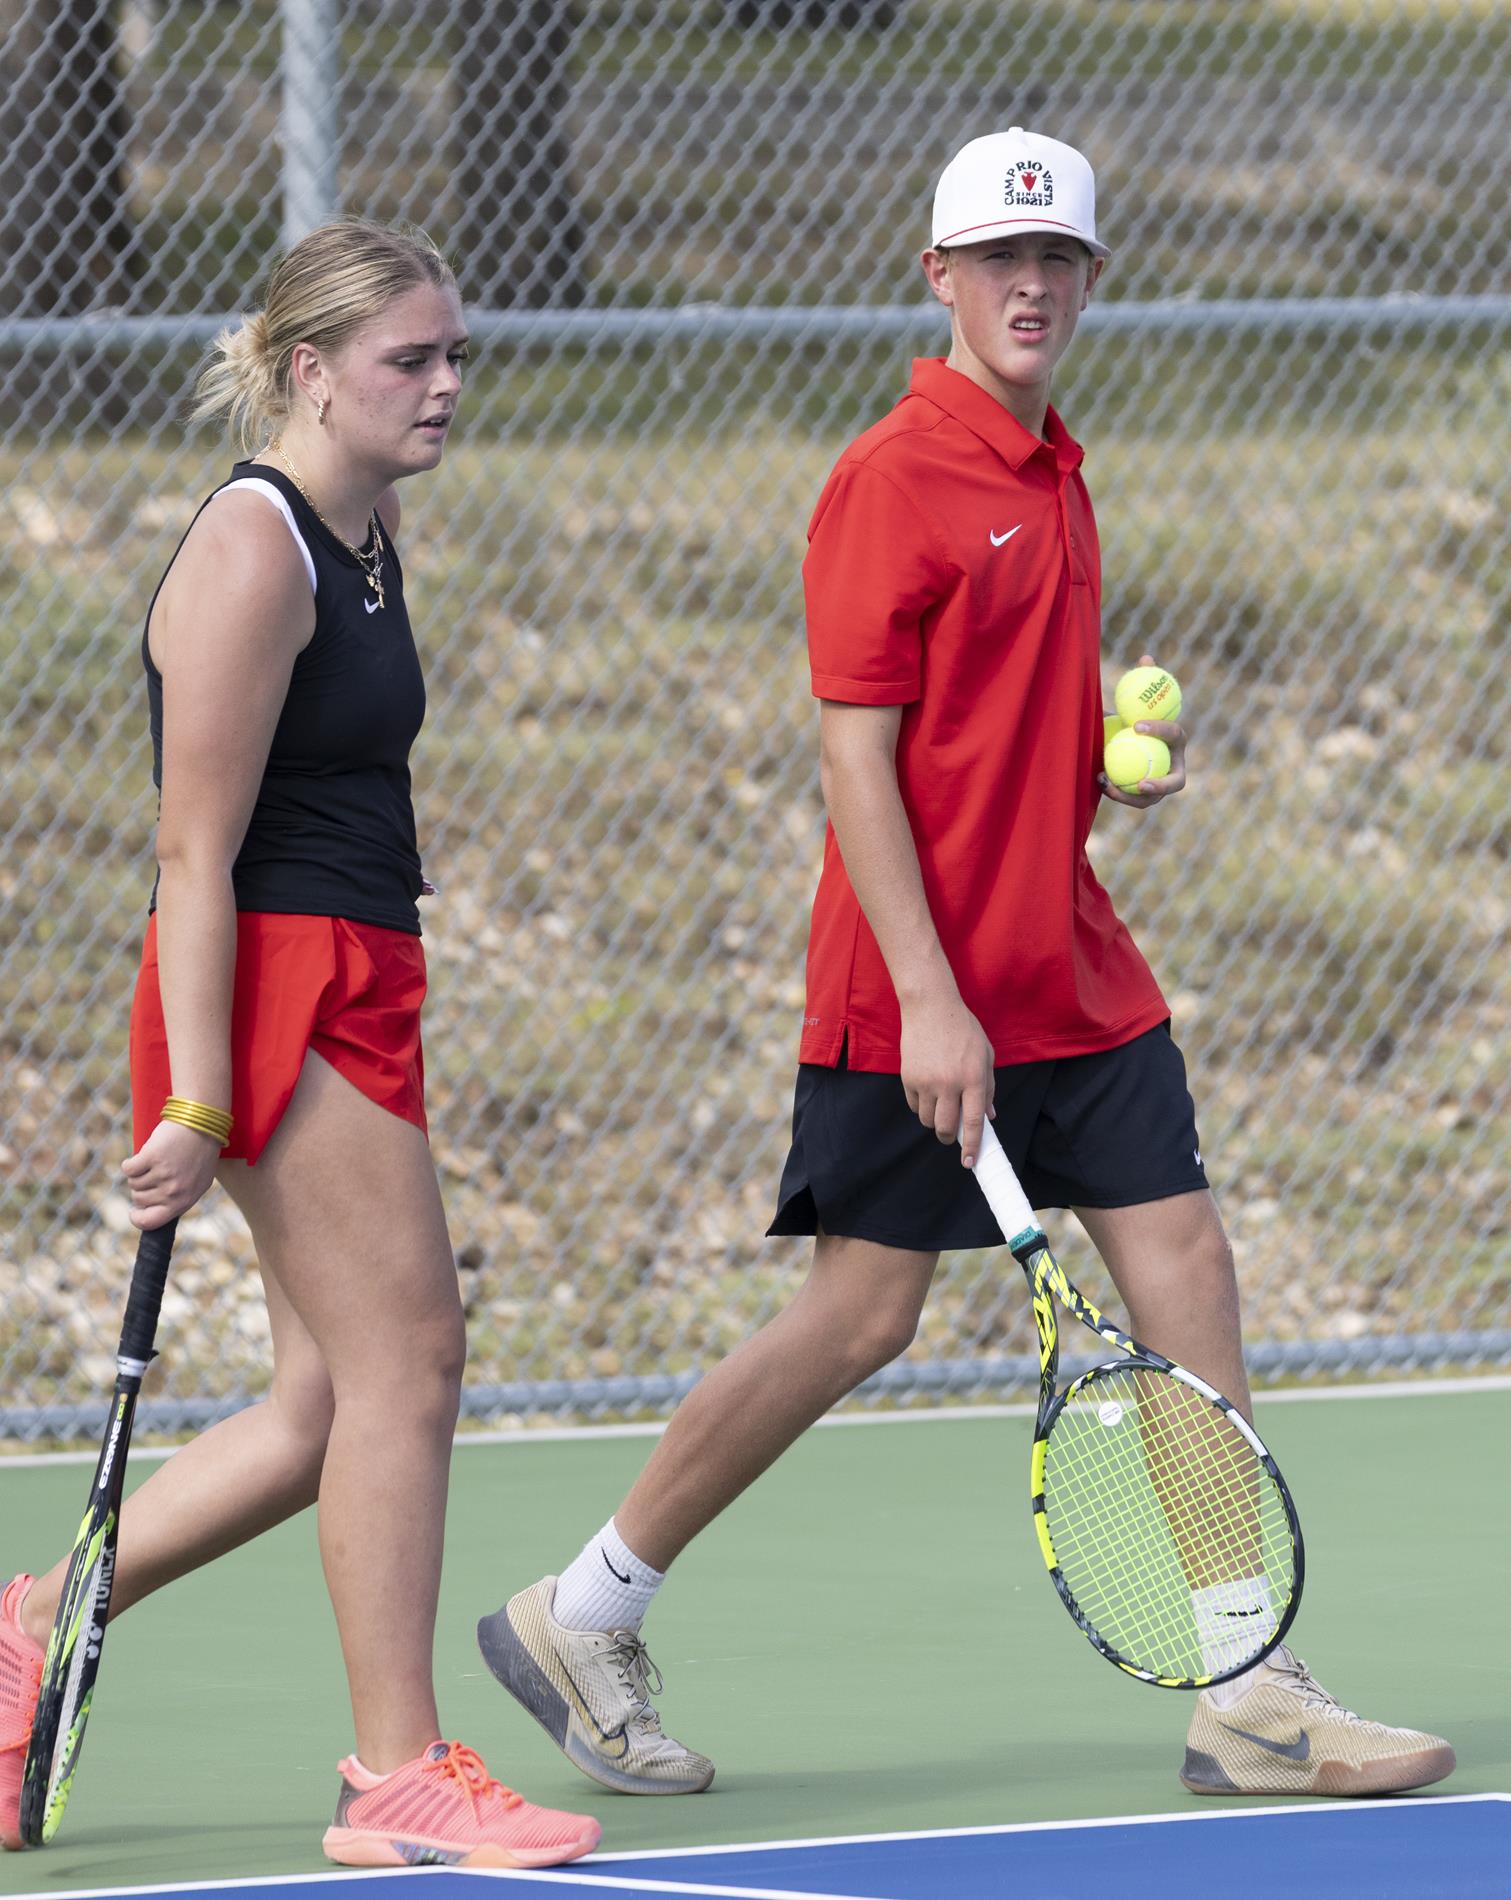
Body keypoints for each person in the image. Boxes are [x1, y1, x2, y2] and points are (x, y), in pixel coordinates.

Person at [475, 131, 1456, 1803]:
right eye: (1001, 260)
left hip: (1072, 972)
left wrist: (1095, 766)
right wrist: (929, 1000)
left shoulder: (1056, 467)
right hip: (911, 988)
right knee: (860, 1316)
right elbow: (858, 765)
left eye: (1059, 258)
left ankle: (1247, 1680)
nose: (1031, 285)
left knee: (1190, 1271)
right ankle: (584, 1608)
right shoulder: (889, 480)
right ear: (938, 277)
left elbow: (989, 739)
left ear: (1089, 278)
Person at [0, 219, 602, 1870]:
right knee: (413, 1359)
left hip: (357, 966)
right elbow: (195, 853)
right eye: (412, 359)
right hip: (264, 980)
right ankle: (395, 1771)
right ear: (308, 370)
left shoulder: (368, 522)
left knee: (324, 1398)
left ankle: (27, 1625)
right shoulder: (253, 550)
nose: (447, 383)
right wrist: (199, 1094)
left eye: (456, 353)